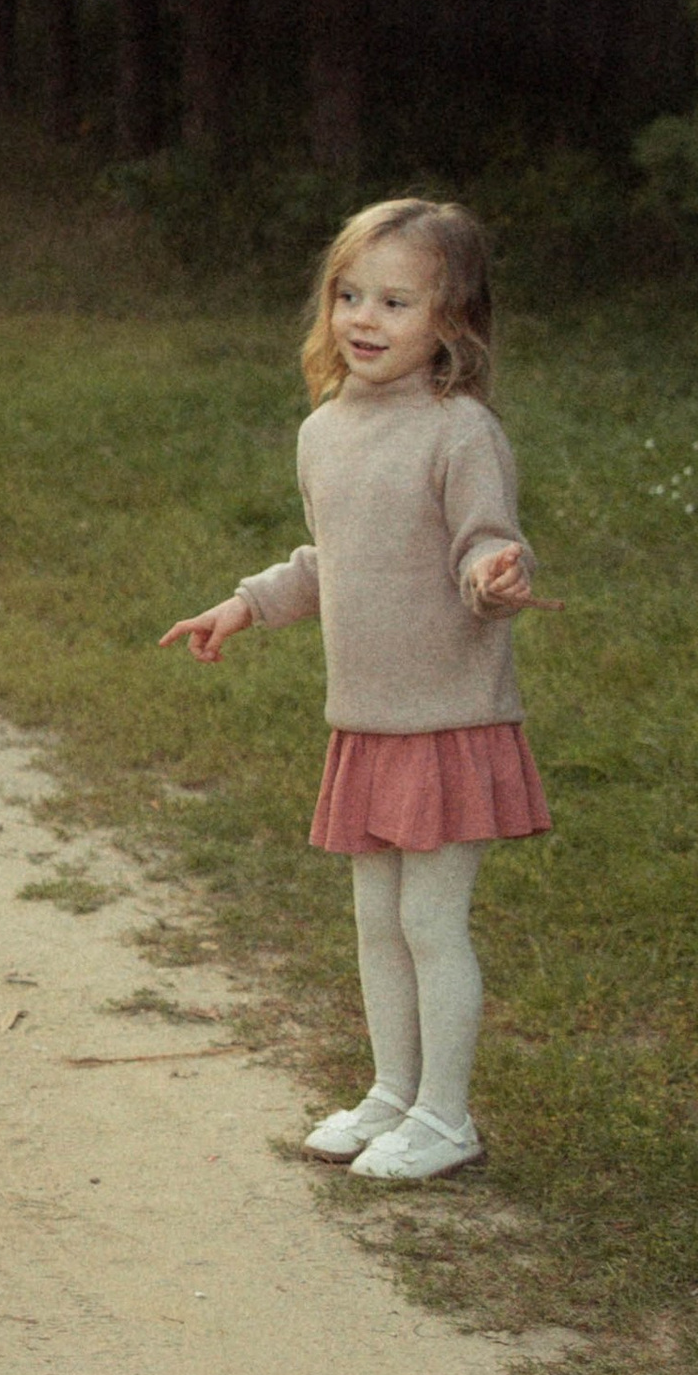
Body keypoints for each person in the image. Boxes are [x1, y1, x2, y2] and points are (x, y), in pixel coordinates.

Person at [160, 196, 550, 1185]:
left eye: (395, 300)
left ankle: (445, 1116)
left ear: (450, 323)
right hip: (367, 722)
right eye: (348, 294)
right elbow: (329, 559)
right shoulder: (323, 432)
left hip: (448, 718)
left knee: (429, 924)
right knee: (376, 923)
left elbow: (483, 540)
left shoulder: (458, 431)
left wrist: (495, 574)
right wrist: (245, 605)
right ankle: (392, 1090)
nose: (364, 319)